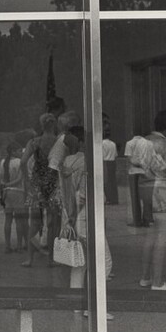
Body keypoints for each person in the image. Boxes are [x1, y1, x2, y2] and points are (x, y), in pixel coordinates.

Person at [59, 129, 114, 320]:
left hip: (73, 216)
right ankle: (94, 305)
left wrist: (68, 218)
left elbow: (65, 193)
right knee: (103, 261)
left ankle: (76, 304)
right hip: (86, 215)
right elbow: (83, 194)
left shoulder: (66, 161)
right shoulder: (88, 161)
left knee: (79, 263)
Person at [138, 110, 166, 291]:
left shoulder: (143, 142)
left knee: (150, 237)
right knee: (163, 238)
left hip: (147, 190)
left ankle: (145, 277)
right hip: (165, 192)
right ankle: (157, 282)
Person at [20, 113, 60, 267]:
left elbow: (23, 162)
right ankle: (51, 259)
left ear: (41, 125)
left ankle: (30, 258)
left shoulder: (34, 142)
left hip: (37, 183)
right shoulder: (58, 142)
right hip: (53, 182)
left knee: (35, 223)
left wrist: (27, 180)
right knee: (52, 224)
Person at [0, 137, 28, 253]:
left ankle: (7, 245)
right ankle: (20, 245)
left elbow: (0, 178)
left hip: (7, 193)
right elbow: (20, 179)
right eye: (19, 151)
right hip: (18, 192)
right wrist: (10, 184)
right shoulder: (20, 163)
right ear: (13, 151)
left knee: (8, 220)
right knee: (19, 220)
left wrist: (5, 185)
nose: (21, 153)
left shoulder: (2, 162)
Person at [125, 132, 153, 227]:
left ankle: (137, 220)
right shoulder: (149, 143)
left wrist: (138, 162)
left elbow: (130, 159)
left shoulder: (129, 143)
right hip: (145, 171)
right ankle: (147, 219)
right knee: (146, 196)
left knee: (134, 197)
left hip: (133, 171)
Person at [101, 114, 119, 205]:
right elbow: (115, 154)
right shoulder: (113, 143)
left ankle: (108, 198)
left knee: (106, 181)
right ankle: (114, 198)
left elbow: (102, 155)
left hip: (105, 162)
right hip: (112, 162)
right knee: (113, 181)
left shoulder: (102, 144)